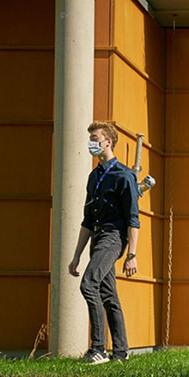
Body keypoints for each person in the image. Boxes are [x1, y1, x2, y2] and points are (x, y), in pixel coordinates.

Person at [68, 122, 139, 364]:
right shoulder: (94, 176)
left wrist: (132, 254)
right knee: (108, 294)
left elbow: (133, 218)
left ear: (108, 141)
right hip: (97, 237)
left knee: (88, 284)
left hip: (113, 238)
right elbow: (87, 220)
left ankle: (98, 348)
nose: (92, 142)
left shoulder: (124, 176)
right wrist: (77, 255)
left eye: (95, 138)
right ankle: (121, 351)